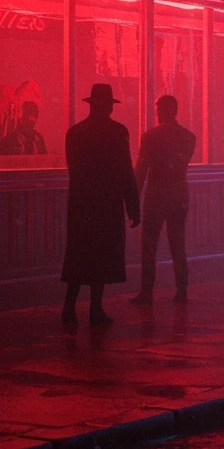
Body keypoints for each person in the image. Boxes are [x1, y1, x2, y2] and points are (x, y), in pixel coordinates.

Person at [61, 83, 140, 328]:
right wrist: (133, 206)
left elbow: (74, 170)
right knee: (103, 256)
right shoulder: (118, 132)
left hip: (81, 204)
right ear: (108, 106)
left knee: (78, 254)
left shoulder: (74, 133)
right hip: (107, 204)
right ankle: (96, 307)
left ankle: (69, 306)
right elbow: (126, 171)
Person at [130, 95, 197, 306]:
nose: (156, 113)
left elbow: (141, 170)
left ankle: (147, 292)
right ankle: (181, 290)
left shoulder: (150, 136)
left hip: (156, 196)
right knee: (178, 244)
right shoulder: (189, 137)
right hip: (178, 196)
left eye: (158, 109)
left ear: (164, 110)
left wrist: (133, 199)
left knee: (149, 245)